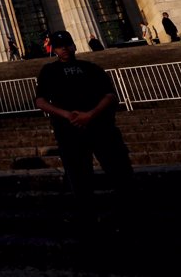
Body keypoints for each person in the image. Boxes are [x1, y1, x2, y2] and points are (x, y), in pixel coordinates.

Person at [35, 31, 134, 230]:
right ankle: (88, 218)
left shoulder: (91, 68)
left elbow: (111, 96)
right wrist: (67, 115)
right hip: (69, 131)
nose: (65, 48)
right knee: (79, 176)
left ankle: (129, 214)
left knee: (118, 170)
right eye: (60, 45)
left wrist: (91, 114)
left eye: (68, 44)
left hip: (100, 127)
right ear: (53, 49)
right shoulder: (48, 71)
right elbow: (40, 101)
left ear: (74, 45)